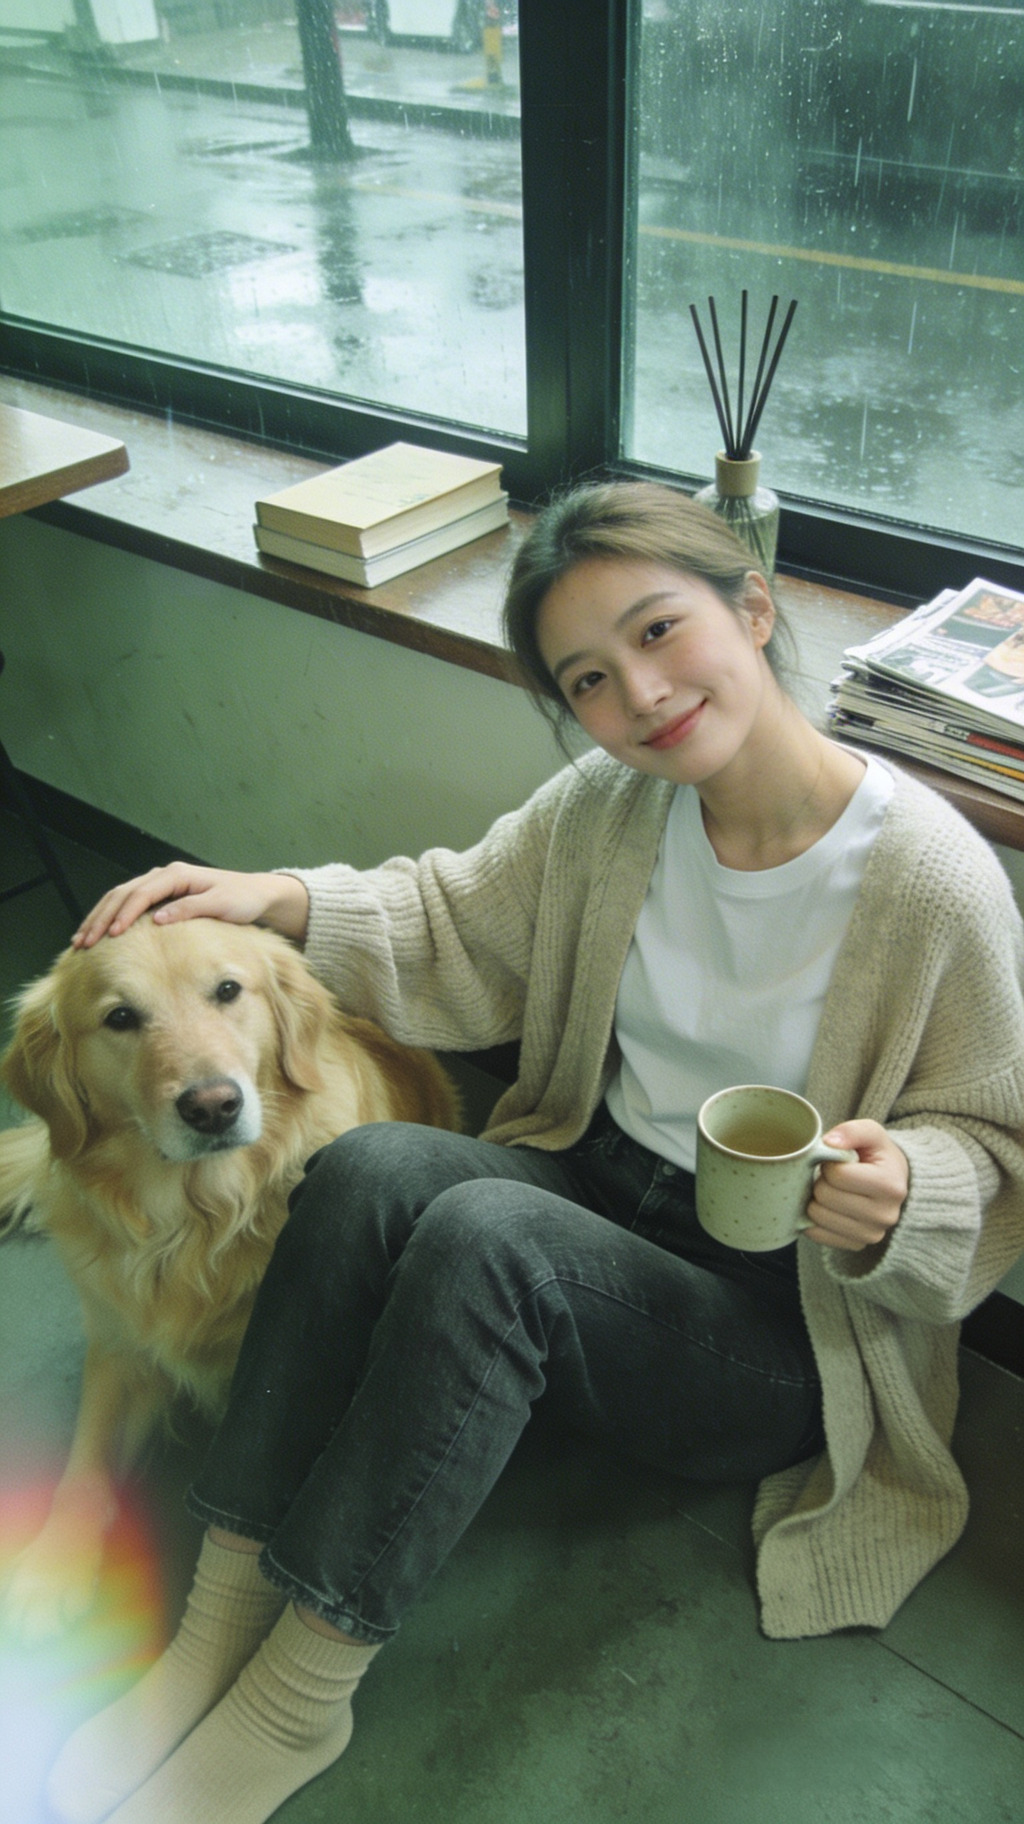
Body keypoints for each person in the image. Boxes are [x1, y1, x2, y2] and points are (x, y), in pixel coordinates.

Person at [47, 482, 1024, 1824]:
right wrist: (280, 899)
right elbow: (450, 914)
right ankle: (211, 1634)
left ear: (752, 605)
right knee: (374, 1162)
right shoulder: (612, 809)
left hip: (772, 1314)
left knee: (485, 1240)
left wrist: (910, 1189)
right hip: (598, 1179)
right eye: (591, 677)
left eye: (661, 630)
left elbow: (994, 1140)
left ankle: (296, 1700)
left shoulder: (932, 878)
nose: (644, 692)